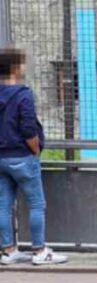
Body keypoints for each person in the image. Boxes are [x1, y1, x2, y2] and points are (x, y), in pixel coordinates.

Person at [0, 48, 66, 266]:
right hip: (22, 155)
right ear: (15, 68)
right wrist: (35, 149)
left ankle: (8, 250)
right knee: (36, 204)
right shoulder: (22, 94)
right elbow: (28, 127)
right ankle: (39, 250)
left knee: (3, 205)